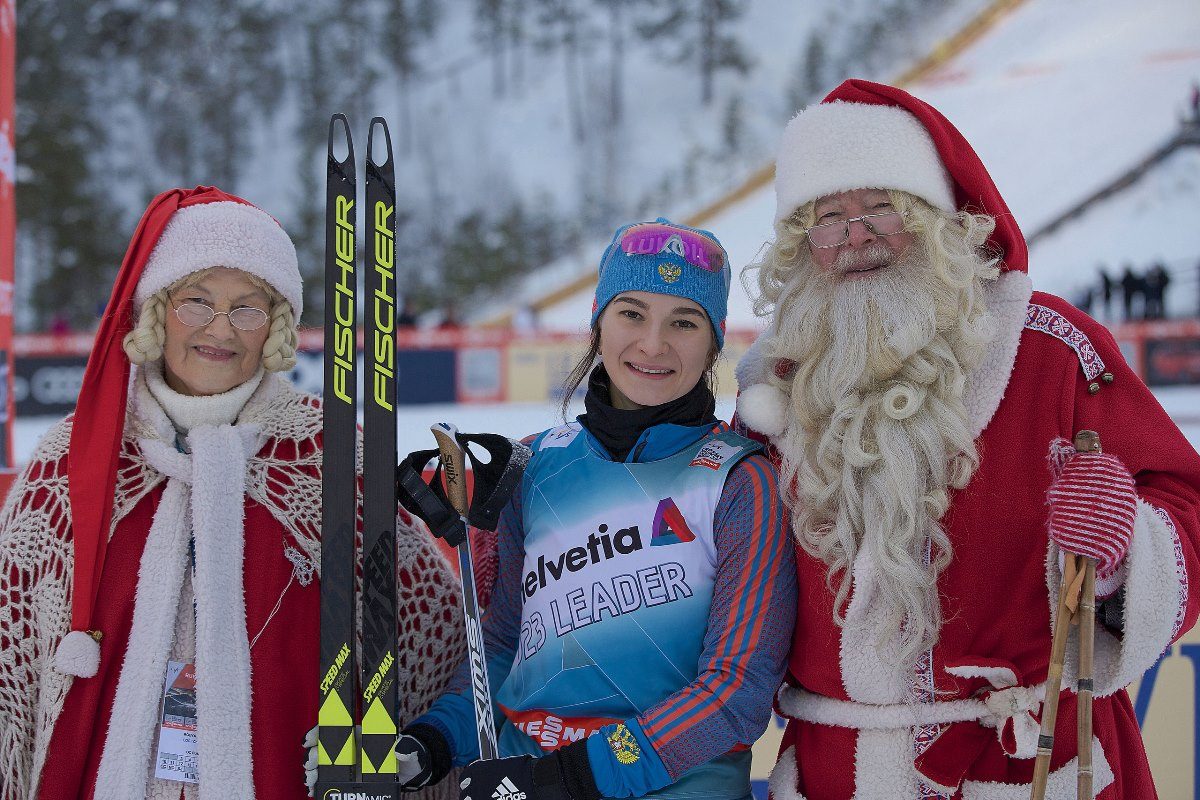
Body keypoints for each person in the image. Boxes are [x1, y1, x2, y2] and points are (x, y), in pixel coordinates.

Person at [734, 80, 1200, 799]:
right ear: (803, 246)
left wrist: (1121, 549)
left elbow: (1185, 503)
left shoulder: (1049, 351)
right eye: (829, 218)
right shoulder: (776, 394)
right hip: (840, 774)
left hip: (1036, 763)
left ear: (934, 219)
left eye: (881, 206)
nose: (857, 236)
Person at [0, 186, 465, 800]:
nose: (220, 328)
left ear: (274, 326)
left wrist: (387, 740)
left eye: (248, 307)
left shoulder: (324, 454)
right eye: (197, 301)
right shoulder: (78, 459)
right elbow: (14, 652)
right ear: (156, 311)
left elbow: (431, 625)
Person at [393, 219, 796, 800]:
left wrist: (575, 777)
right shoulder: (531, 465)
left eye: (684, 321)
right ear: (597, 322)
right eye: (631, 313)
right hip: (520, 780)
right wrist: (433, 740)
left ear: (713, 343)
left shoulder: (739, 481)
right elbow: (503, 646)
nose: (653, 344)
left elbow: (735, 691)